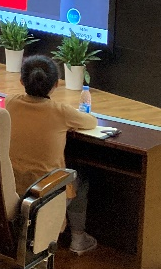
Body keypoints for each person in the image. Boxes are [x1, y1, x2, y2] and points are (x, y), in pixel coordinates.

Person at [6, 56, 98, 255]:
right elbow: (91, 122)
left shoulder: (10, 103)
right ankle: (78, 239)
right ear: (56, 84)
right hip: (46, 194)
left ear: (21, 81)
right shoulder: (62, 112)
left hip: (12, 190)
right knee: (80, 178)